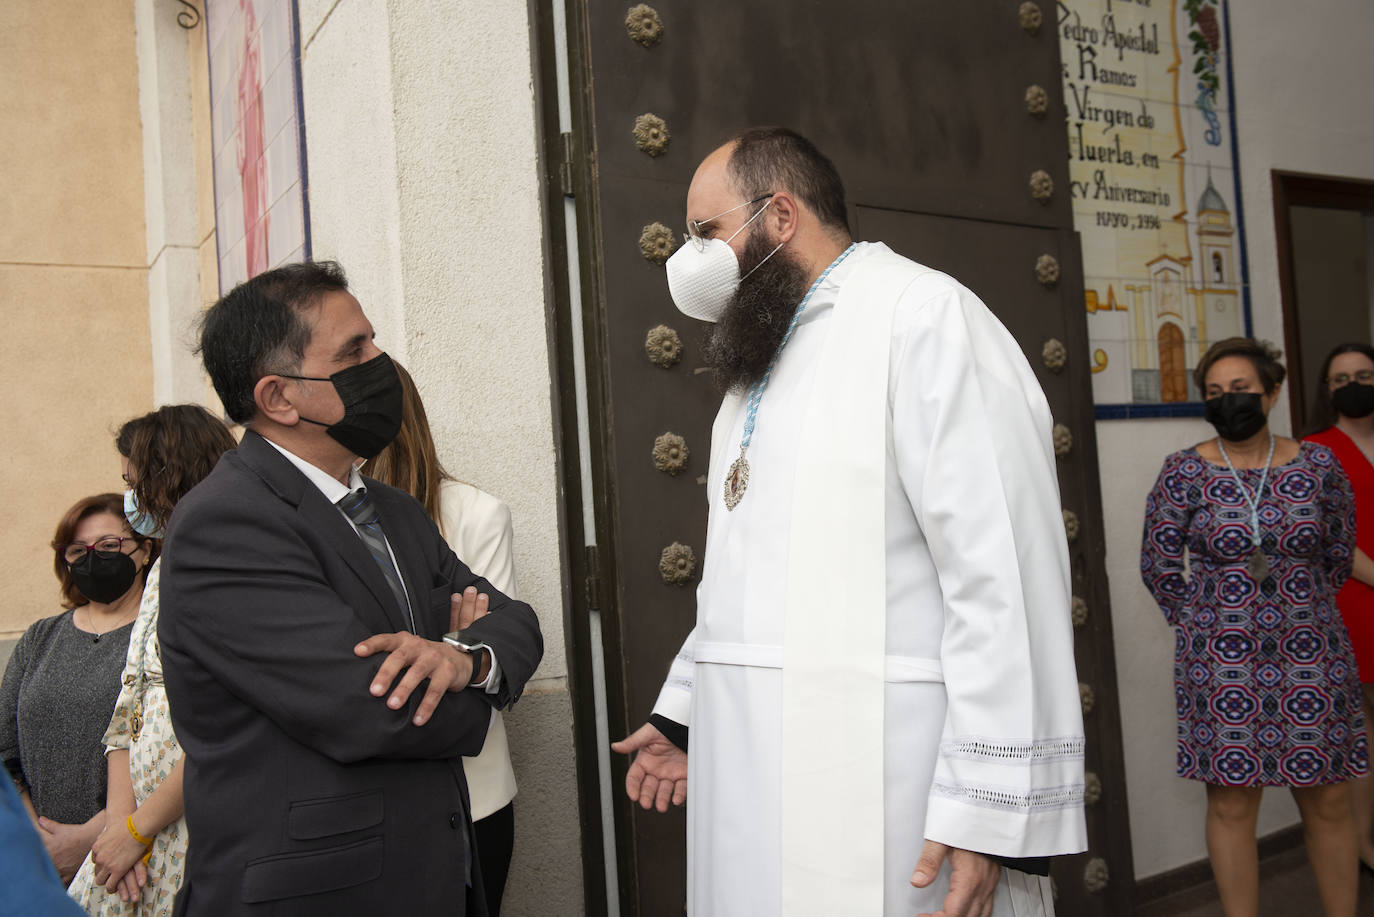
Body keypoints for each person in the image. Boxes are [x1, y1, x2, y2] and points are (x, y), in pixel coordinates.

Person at [612, 127, 1086, 917]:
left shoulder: (925, 318)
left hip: (888, 784)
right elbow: (742, 574)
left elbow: (1003, 573)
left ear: (782, 216)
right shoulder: (759, 365)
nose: (691, 260)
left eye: (705, 233)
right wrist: (682, 714)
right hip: (752, 777)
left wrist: (988, 815)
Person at [158, 261, 544, 916]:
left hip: (434, 880)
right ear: (279, 397)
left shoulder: (393, 509)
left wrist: (462, 658)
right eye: (355, 351)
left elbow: (516, 620)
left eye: (373, 340)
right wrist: (479, 687)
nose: (381, 362)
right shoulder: (226, 522)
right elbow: (373, 709)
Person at [1141, 337, 1364, 917]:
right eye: (1215, 393)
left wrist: (1299, 612)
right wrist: (1207, 626)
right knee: (1233, 806)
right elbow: (1159, 566)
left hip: (1312, 654)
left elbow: (1338, 553)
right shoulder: (1182, 472)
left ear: (1271, 391)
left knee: (1329, 800)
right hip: (1221, 665)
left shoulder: (1319, 465)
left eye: (1239, 390)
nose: (1228, 401)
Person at [362, 362, 520, 915]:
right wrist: (444, 634)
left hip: (473, 797)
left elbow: (490, 657)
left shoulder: (475, 512)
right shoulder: (325, 521)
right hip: (372, 803)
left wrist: (456, 651)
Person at [68, 405, 237, 915]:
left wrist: (140, 829)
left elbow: (229, 724)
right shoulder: (166, 564)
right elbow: (131, 699)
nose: (130, 498)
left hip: (193, 825)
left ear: (170, 475)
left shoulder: (227, 564)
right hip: (140, 837)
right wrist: (123, 826)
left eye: (134, 481)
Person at [1, 494, 155, 885]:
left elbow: (168, 751)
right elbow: (4, 750)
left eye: (108, 546)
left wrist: (93, 837)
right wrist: (38, 840)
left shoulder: (161, 637)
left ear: (144, 550)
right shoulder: (41, 637)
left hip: (130, 858)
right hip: (39, 863)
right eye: (77, 550)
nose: (92, 558)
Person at [1305, 341, 1374, 873]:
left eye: (1365, 374)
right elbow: (1327, 536)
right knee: (1366, 733)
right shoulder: (1315, 452)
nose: (1354, 384)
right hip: (1354, 598)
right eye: (1341, 378)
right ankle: (1364, 845)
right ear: (1327, 391)